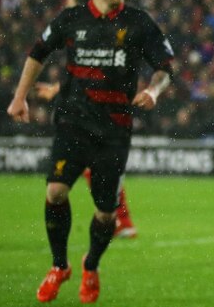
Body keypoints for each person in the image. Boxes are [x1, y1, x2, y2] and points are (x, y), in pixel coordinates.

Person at [7, 0, 174, 303]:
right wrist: (20, 97)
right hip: (73, 124)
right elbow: (37, 53)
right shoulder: (71, 19)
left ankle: (91, 263)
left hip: (114, 130)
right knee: (55, 192)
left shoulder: (139, 23)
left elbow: (165, 66)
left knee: (106, 214)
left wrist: (153, 90)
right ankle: (58, 266)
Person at [34, 80, 138, 237]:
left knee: (101, 169)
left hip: (102, 117)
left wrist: (57, 88)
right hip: (98, 116)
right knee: (98, 170)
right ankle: (121, 220)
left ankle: (120, 220)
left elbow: (90, 75)